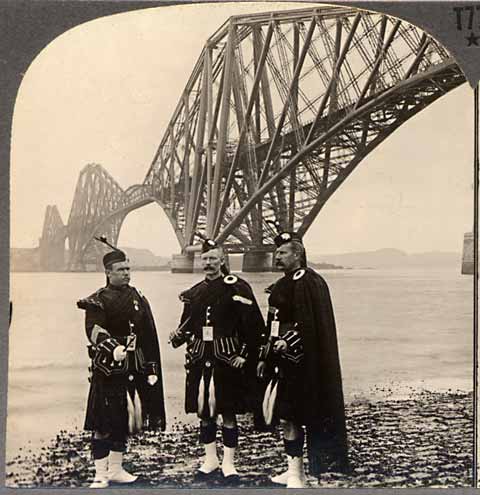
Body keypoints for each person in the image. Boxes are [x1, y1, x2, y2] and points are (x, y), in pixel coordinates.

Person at [169, 238, 265, 483]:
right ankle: (210, 460)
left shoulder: (238, 287)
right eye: (205, 259)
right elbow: (187, 325)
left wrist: (244, 354)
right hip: (200, 358)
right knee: (205, 412)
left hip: (228, 359)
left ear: (223, 260)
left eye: (213, 258)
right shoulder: (195, 292)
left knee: (229, 412)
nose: (208, 263)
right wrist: (178, 336)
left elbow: (253, 326)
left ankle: (229, 463)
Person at [257, 231, 349, 488]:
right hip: (280, 361)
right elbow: (272, 324)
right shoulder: (283, 284)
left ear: (298, 255)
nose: (277, 257)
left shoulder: (309, 281)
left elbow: (311, 324)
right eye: (276, 253)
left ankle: (300, 474)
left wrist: (291, 341)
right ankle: (293, 471)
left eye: (282, 253)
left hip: (303, 364)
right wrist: (265, 356)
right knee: (287, 416)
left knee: (301, 415)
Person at [77, 243, 166, 488]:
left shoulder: (137, 297)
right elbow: (93, 330)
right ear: (108, 272)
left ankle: (116, 469)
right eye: (121, 269)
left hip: (133, 367)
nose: (126, 273)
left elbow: (147, 336)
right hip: (108, 369)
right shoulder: (96, 300)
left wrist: (150, 369)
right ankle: (99, 474)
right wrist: (112, 347)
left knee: (124, 419)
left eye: (128, 268)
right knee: (102, 422)